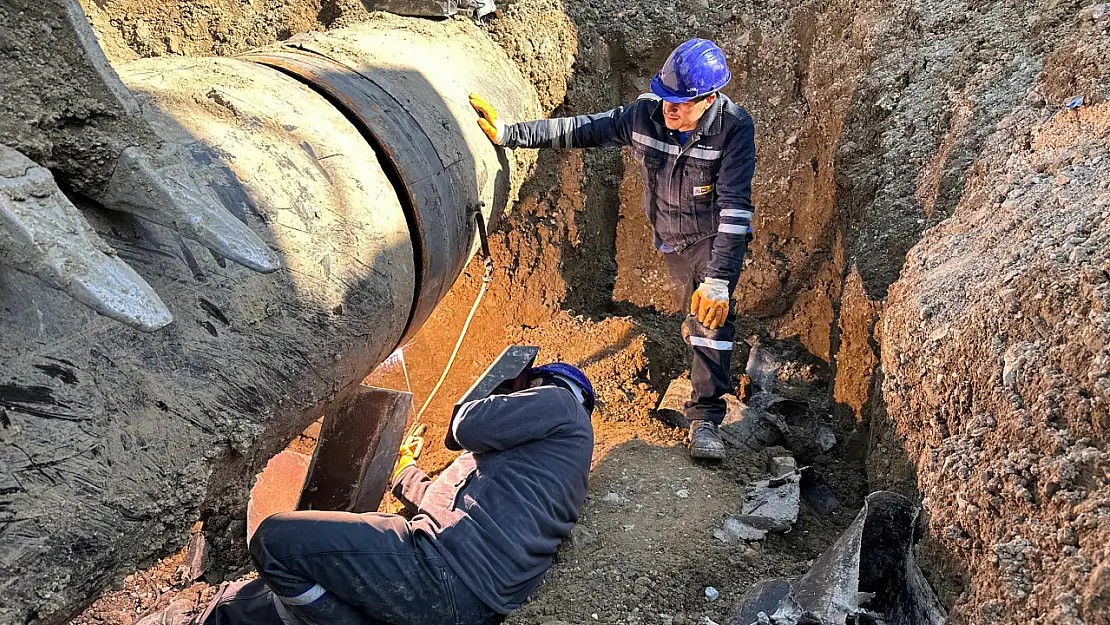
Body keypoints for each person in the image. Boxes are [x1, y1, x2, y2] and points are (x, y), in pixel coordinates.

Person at [469, 38, 755, 461]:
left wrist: (719, 279)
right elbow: (581, 128)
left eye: (679, 104)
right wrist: (511, 134)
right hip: (672, 239)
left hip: (712, 237)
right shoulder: (645, 116)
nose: (667, 110)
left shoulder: (734, 128)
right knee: (693, 316)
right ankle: (698, 348)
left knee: (709, 321)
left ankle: (705, 419)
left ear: (709, 98)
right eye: (664, 99)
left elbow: (735, 209)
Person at [141, 362, 595, 625]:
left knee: (275, 542)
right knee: (262, 600)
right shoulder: (539, 467)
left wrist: (491, 392)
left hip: (442, 572)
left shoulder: (558, 403)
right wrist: (404, 472)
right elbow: (448, 498)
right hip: (463, 595)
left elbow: (463, 426)